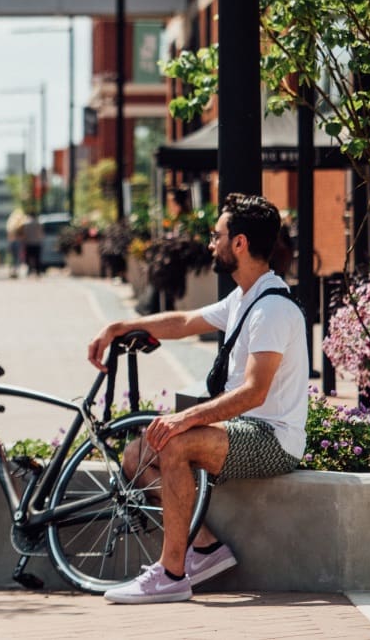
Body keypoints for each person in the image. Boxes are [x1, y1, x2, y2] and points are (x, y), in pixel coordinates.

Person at [87, 193, 307, 604]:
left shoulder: (272, 309)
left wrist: (186, 420)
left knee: (175, 440)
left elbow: (254, 392)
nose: (211, 243)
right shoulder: (245, 297)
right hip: (241, 430)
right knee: (138, 455)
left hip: (273, 439)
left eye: (216, 235)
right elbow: (185, 321)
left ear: (239, 243)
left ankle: (172, 575)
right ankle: (205, 549)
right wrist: (120, 326)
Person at [22, 212, 44, 276]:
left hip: (29, 243)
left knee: (29, 258)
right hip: (37, 243)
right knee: (37, 258)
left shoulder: (26, 224)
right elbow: (41, 233)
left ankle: (29, 270)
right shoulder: (38, 223)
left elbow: (24, 234)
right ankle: (38, 271)